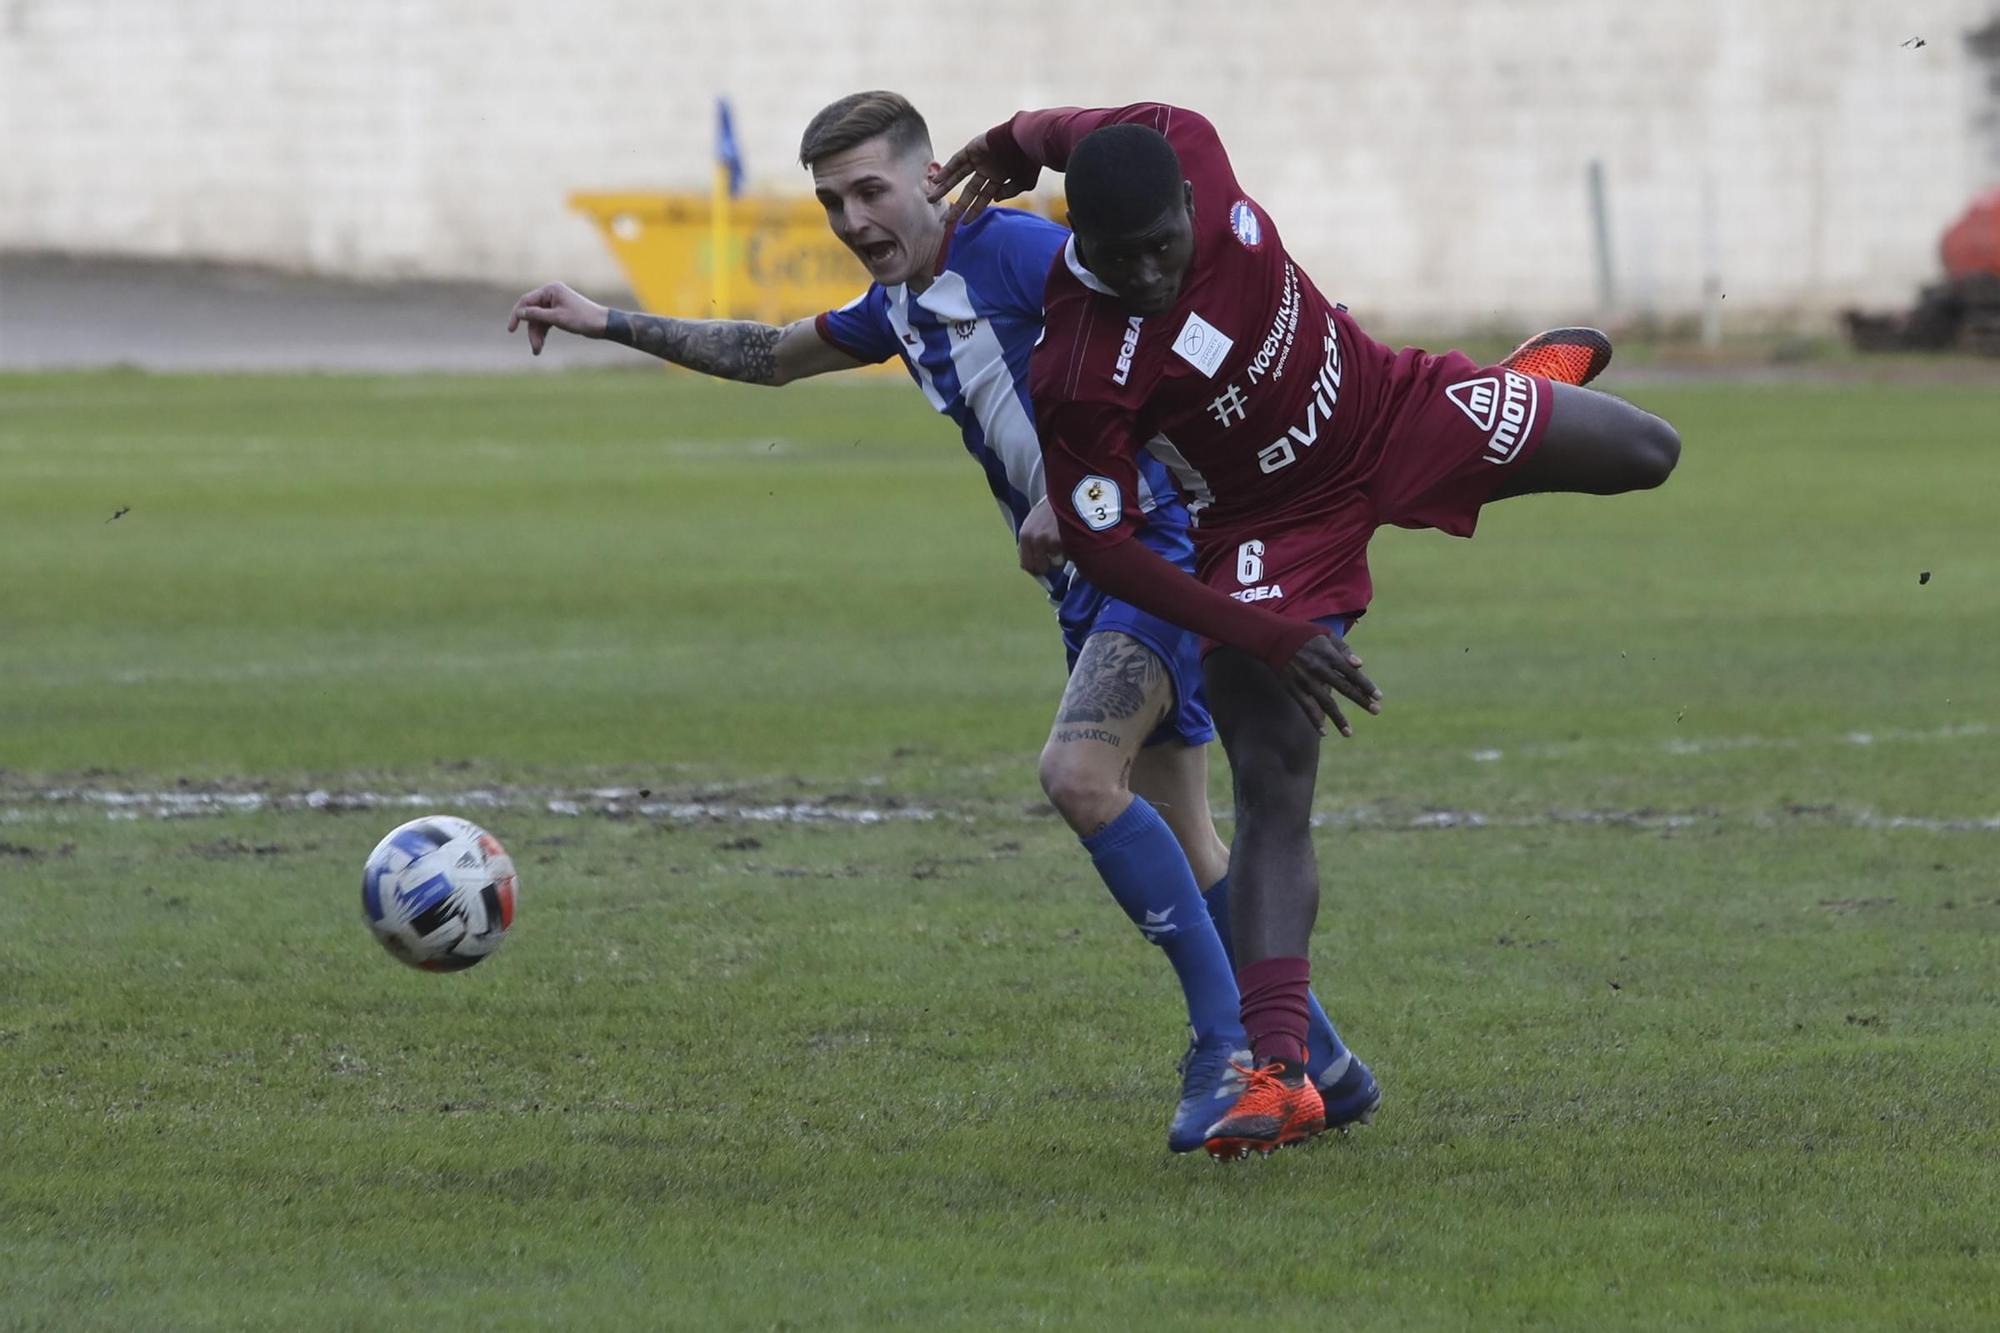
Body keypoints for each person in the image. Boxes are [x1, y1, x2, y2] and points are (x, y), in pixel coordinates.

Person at [507, 91, 1378, 1153]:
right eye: (831, 201)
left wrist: (1080, 485)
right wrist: (606, 320)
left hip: (1153, 557)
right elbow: (773, 354)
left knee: (1077, 776)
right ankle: (1322, 1060)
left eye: (870, 189)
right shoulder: (902, 306)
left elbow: (1152, 333)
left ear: (928, 178)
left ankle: (1229, 1049)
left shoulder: (1020, 252)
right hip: (1086, 589)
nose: (851, 218)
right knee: (1191, 840)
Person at [932, 102, 1677, 1158]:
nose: (1142, 274)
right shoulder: (1080, 362)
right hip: (1266, 539)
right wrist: (1260, 630)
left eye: (1158, 248)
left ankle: (1508, 388)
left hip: (1392, 405)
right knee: (1273, 775)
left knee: (1649, 451)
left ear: (1193, 200)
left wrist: (1008, 143)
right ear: (1078, 241)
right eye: (1113, 256)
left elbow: (1083, 124)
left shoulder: (1181, 138)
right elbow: (1106, 551)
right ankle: (1281, 1070)